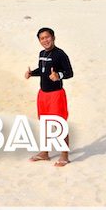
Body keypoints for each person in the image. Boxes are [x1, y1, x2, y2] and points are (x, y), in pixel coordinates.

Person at [24, 26, 73, 166]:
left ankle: (64, 155)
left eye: (47, 37)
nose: (45, 40)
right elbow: (42, 69)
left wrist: (59, 75)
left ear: (53, 37)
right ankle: (45, 153)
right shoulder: (42, 53)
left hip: (56, 95)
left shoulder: (60, 54)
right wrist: (32, 73)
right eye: (42, 38)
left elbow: (69, 72)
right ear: (39, 41)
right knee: (45, 123)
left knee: (59, 124)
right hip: (43, 94)